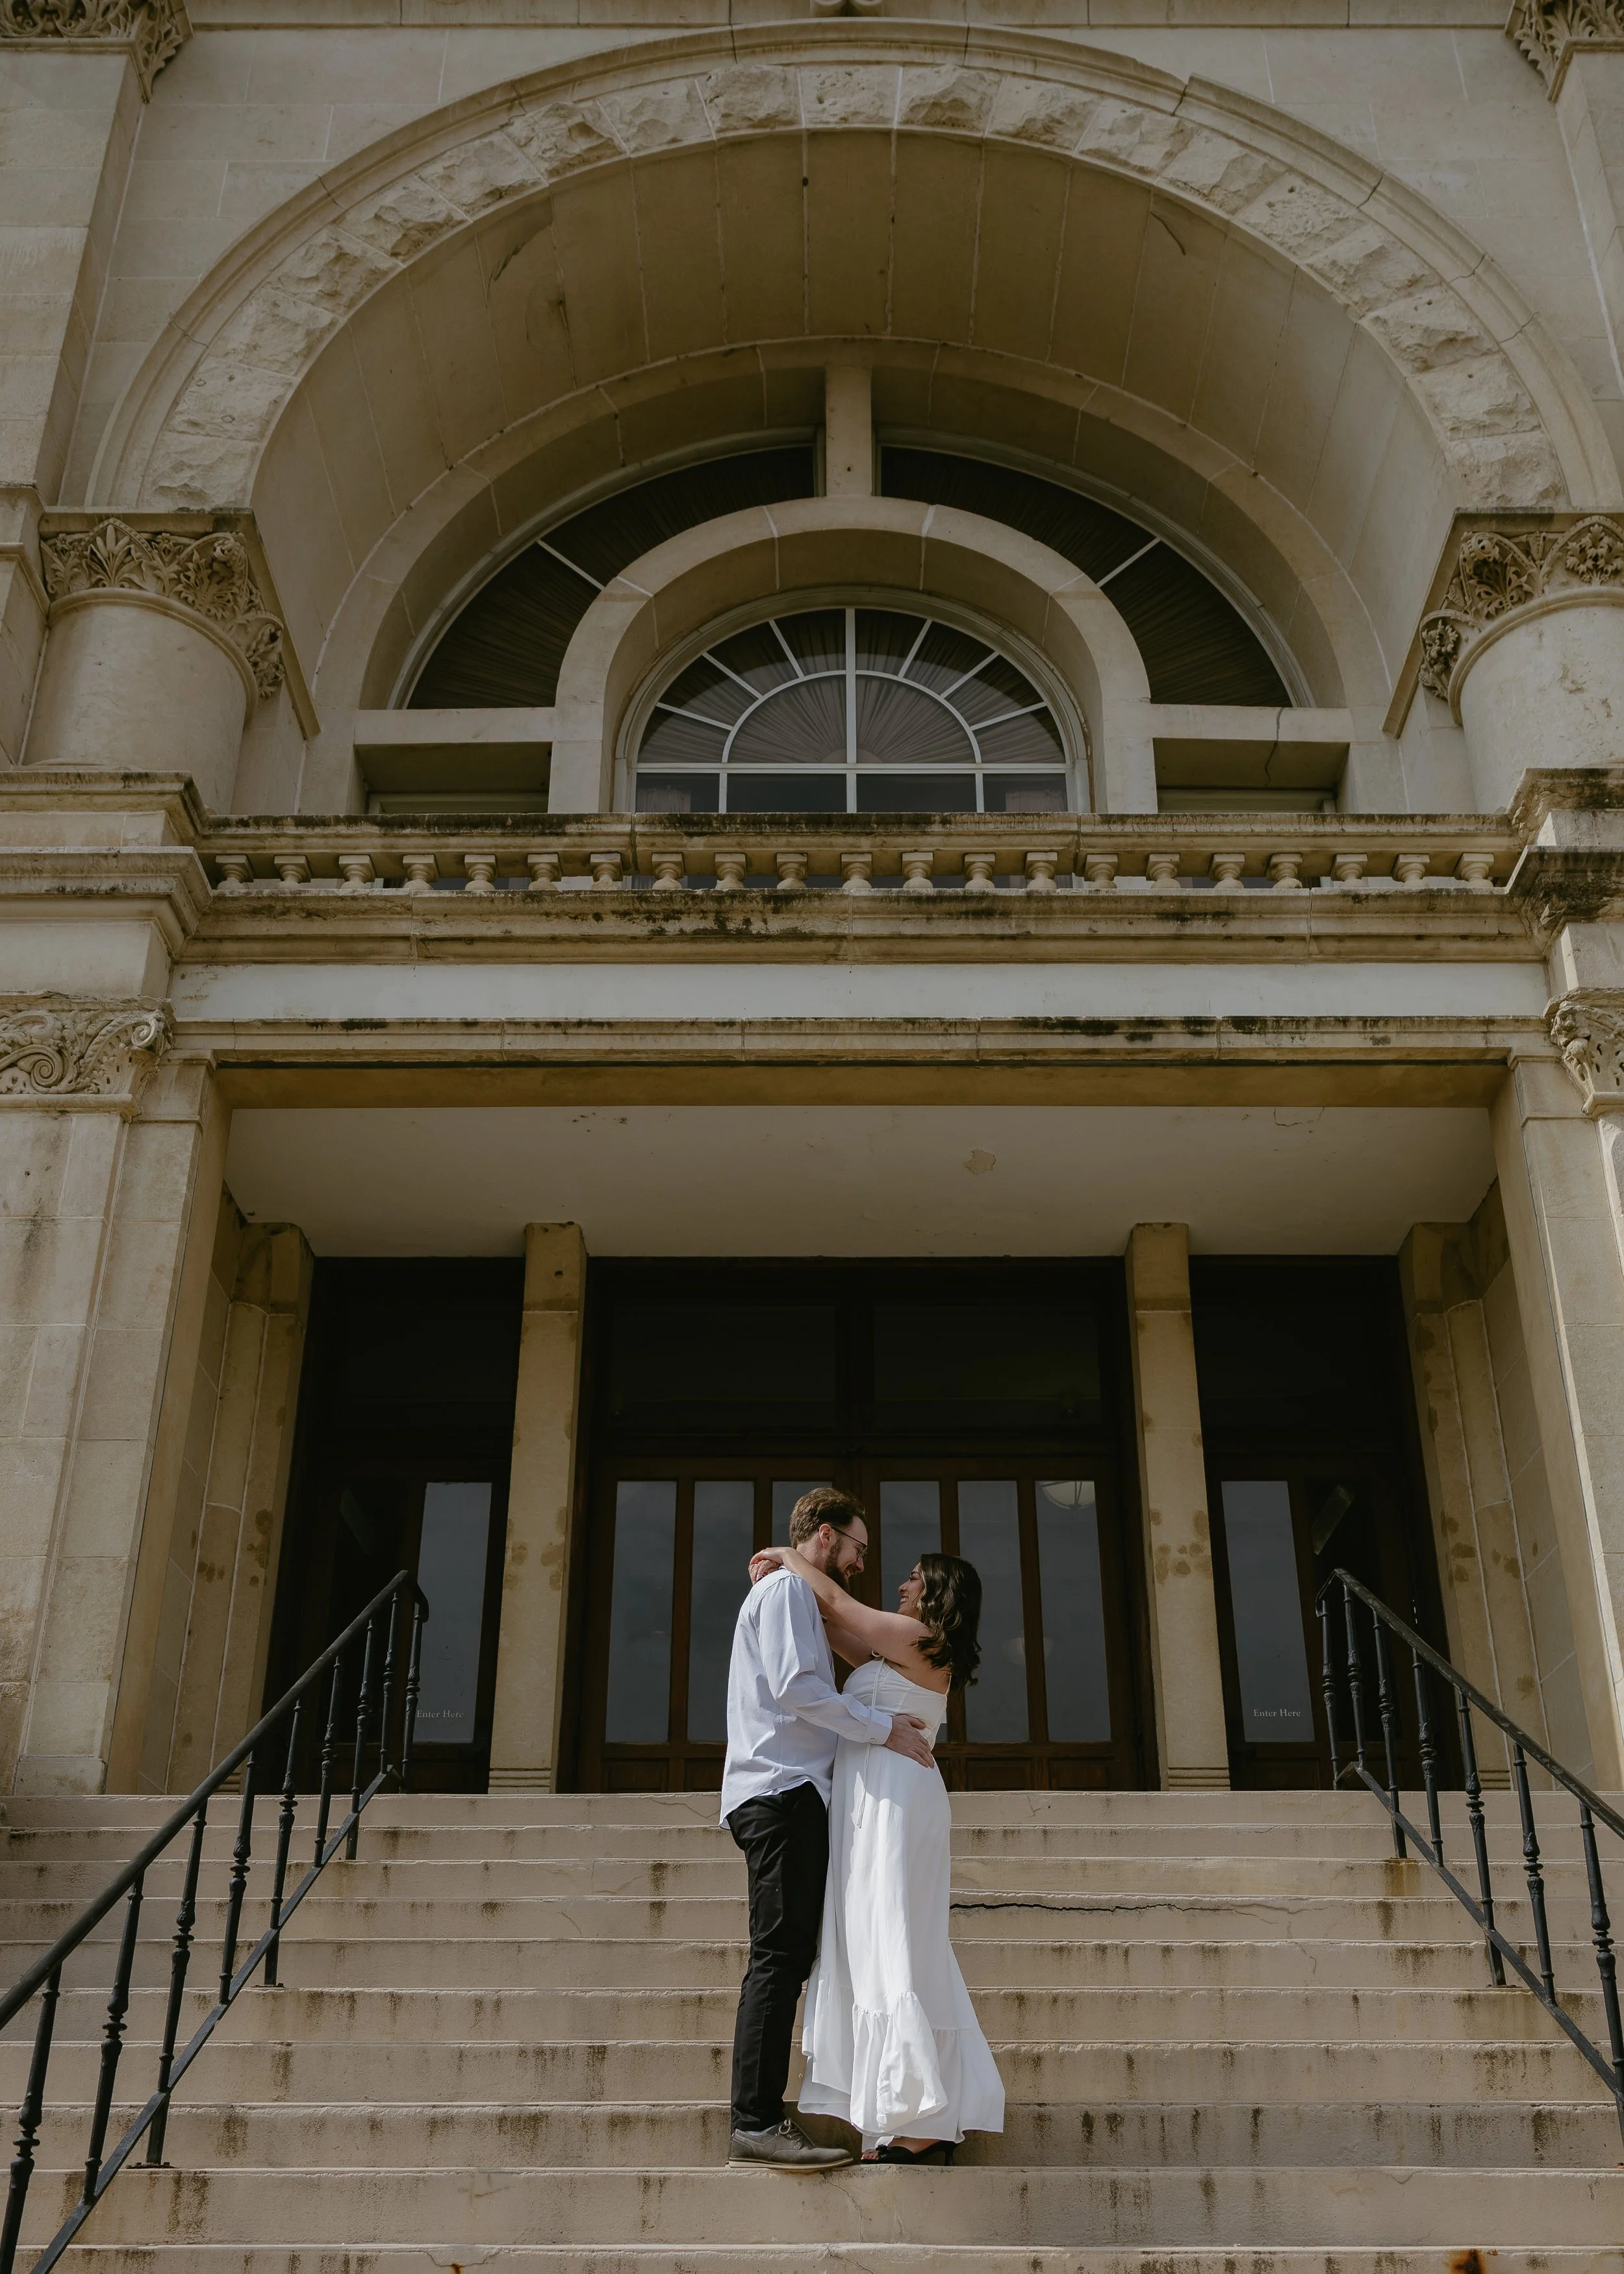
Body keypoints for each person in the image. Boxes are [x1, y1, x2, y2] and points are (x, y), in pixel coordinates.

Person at [746, 1535, 1006, 2166]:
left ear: (938, 1594)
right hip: (865, 1802)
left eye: (915, 1578)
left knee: (895, 1938)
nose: (903, 1585)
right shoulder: (895, 1642)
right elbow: (833, 1620)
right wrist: (781, 1586)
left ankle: (925, 2119)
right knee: (872, 1939)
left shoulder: (921, 1641)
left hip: (896, 1799)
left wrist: (787, 1554)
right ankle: (906, 2112)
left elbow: (835, 1599)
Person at [721, 1485, 937, 2171]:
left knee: (787, 1956)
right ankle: (755, 2121)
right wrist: (882, 1729)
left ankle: (761, 2116)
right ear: (824, 1536)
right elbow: (795, 1688)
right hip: (780, 1793)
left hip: (788, 1794)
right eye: (857, 1547)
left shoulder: (798, 1596)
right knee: (779, 1957)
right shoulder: (786, 1594)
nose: (860, 1562)